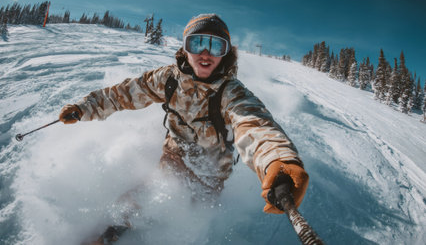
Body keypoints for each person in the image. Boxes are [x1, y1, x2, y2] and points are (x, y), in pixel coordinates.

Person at [60, 14, 309, 244]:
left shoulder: (231, 92)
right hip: (175, 157)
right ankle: (109, 233)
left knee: (190, 218)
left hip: (211, 174)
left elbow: (254, 123)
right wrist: (85, 107)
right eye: (197, 43)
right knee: (144, 198)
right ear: (185, 48)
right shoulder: (168, 79)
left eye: (215, 46)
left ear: (226, 54)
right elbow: (124, 93)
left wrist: (279, 162)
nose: (205, 54)